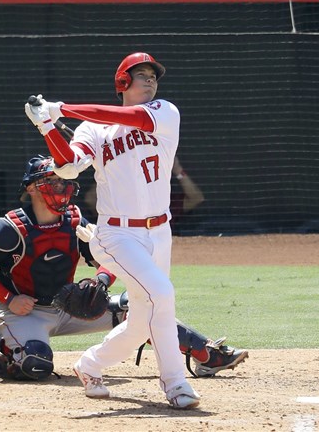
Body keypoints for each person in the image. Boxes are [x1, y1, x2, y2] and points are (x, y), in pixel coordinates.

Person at [23, 52, 201, 408]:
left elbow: (128, 117)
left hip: (159, 230)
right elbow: (70, 167)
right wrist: (47, 126)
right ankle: (176, 385)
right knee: (162, 296)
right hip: (117, 235)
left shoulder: (165, 111)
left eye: (153, 75)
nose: (150, 80)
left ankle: (89, 364)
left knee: (141, 322)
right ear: (122, 83)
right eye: (141, 75)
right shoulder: (94, 129)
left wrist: (65, 109)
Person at [0, 155, 246, 381]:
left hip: (68, 305)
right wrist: (8, 299)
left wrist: (100, 281)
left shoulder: (75, 220)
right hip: (24, 312)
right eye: (51, 181)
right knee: (37, 364)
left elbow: (111, 257)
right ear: (31, 188)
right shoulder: (11, 227)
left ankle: (207, 355)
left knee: (139, 305)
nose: (60, 187)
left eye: (63, 181)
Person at [85, 155, 205, 235]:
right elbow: (90, 199)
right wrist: (115, 171)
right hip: (125, 237)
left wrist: (178, 170)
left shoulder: (164, 199)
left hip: (160, 239)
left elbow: (196, 198)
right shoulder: (122, 197)